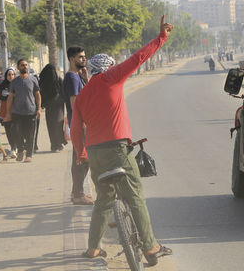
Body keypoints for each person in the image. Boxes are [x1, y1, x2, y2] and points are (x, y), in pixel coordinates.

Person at [72, 15, 174, 264]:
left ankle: (93, 249)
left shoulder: (83, 95)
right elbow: (139, 57)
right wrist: (162, 37)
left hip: (95, 153)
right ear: (108, 67)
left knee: (103, 201)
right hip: (118, 148)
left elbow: (75, 129)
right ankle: (150, 247)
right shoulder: (112, 77)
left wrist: (80, 155)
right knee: (134, 195)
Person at [63, 46, 94, 206]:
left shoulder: (78, 76)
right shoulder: (72, 78)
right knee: (82, 158)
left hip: (81, 122)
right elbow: (75, 103)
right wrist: (84, 124)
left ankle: (76, 192)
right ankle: (78, 194)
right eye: (80, 57)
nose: (84, 59)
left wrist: (86, 79)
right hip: (79, 123)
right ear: (71, 59)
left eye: (84, 56)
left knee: (81, 158)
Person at [6, 59, 42, 163]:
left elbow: (37, 95)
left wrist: (39, 109)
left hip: (31, 112)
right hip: (17, 112)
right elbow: (10, 98)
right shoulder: (14, 82)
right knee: (16, 132)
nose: (25, 67)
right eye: (22, 65)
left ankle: (29, 155)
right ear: (18, 67)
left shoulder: (33, 80)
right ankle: (21, 150)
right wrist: (8, 113)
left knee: (30, 135)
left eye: (26, 65)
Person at [0, 68, 17, 157]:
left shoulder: (18, 85)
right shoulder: (1, 86)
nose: (11, 76)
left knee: (15, 130)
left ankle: (15, 147)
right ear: (6, 76)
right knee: (8, 131)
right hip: (5, 113)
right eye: (9, 74)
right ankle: (13, 147)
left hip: (16, 112)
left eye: (12, 74)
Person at [39, 64, 66, 152]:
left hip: (57, 107)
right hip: (53, 107)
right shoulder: (44, 82)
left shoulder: (58, 81)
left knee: (56, 125)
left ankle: (57, 143)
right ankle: (55, 144)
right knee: (54, 126)